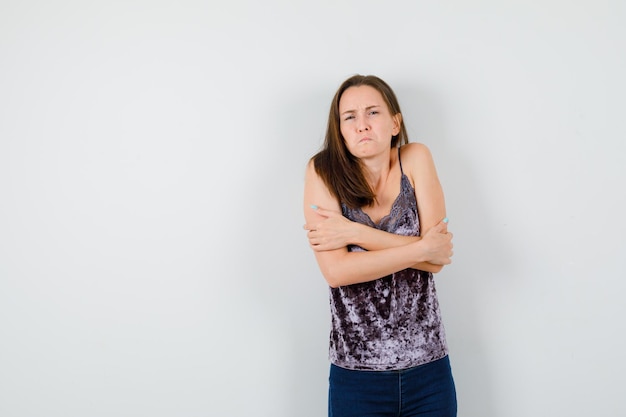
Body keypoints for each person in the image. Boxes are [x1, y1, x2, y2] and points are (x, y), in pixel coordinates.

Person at [303, 74, 457, 417]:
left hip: (429, 372)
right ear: (340, 130)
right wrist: (421, 249)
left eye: (372, 112)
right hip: (357, 378)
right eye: (349, 117)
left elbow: (438, 259)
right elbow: (338, 272)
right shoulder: (322, 171)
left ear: (394, 122)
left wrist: (355, 234)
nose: (362, 125)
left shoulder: (415, 158)